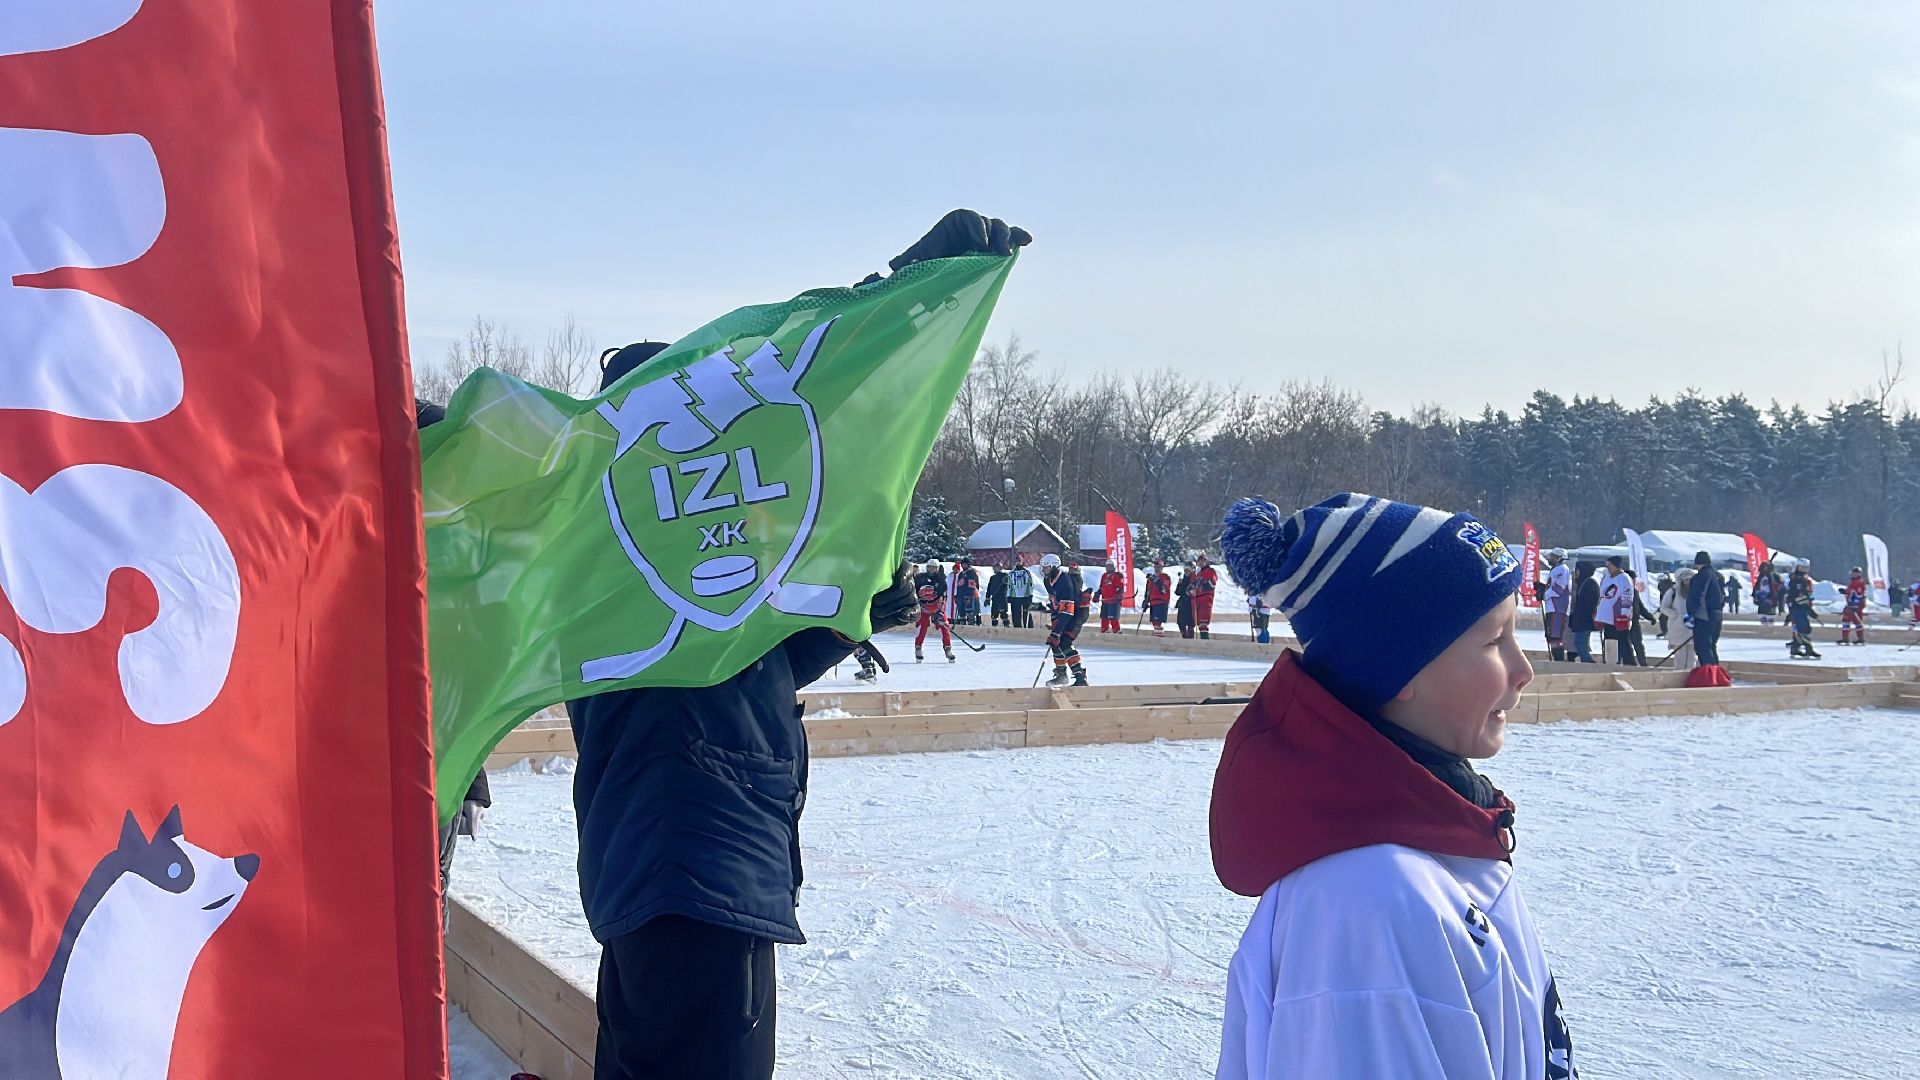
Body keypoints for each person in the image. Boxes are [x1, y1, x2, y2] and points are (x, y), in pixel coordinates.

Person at [1212, 493, 1575, 1080]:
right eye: (1494, 640)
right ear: (1395, 666)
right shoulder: (1369, 907)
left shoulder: (1432, 842)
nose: (1524, 669)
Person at [1039, 553, 1089, 687]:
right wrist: (1053, 615)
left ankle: (1080, 676)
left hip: (1076, 613)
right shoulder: (1048, 580)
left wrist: (1057, 631)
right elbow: (1055, 601)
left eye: (1045, 567)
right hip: (1062, 613)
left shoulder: (1065, 582)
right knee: (1055, 643)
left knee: (1064, 641)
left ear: (1053, 567)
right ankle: (1061, 675)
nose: (1043, 570)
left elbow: (1068, 610)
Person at [1686, 550, 1726, 666]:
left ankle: (1708, 673)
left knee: (1702, 647)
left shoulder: (1701, 577)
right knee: (1711, 646)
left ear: (1697, 563)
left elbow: (1697, 595)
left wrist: (1691, 612)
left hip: (1704, 616)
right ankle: (1716, 672)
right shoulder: (1718, 576)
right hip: (1717, 615)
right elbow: (1723, 596)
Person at [912, 561, 955, 663]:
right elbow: (913, 593)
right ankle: (918, 648)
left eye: (934, 567)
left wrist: (940, 611)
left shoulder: (941, 580)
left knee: (944, 626)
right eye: (929, 567)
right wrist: (917, 604)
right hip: (923, 608)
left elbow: (943, 598)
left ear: (937, 568)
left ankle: (948, 649)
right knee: (922, 627)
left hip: (936, 607)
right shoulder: (920, 578)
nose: (931, 569)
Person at [1599, 556, 1635, 666]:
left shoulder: (1624, 578)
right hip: (1606, 614)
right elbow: (1602, 595)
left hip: (1618, 614)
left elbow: (1627, 596)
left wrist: (1624, 613)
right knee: (1609, 640)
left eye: (1609, 565)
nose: (1608, 568)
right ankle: (1611, 662)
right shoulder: (1606, 577)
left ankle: (1630, 663)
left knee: (1622, 640)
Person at [1658, 568, 1697, 668]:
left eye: (1690, 579)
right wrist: (1674, 614)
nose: (1688, 582)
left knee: (1692, 659)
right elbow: (1663, 607)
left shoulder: (1697, 592)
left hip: (1693, 629)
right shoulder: (1673, 592)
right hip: (1678, 629)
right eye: (1686, 580)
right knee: (1680, 658)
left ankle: (1690, 675)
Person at [1785, 560, 1819, 659]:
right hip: (1798, 607)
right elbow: (1799, 596)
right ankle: (1808, 648)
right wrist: (1809, 609)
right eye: (1802, 567)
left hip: (1799, 606)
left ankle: (1795, 648)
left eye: (1806, 567)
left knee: (1801, 628)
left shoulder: (1803, 578)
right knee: (1805, 629)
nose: (1805, 569)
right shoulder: (1797, 579)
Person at [1542, 549, 1572, 662]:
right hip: (1552, 607)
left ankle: (1559, 661)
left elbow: (1558, 588)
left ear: (1560, 558)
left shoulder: (1562, 569)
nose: (1551, 559)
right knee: (1551, 635)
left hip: (1558, 607)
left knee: (1555, 636)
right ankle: (1557, 659)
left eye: (1553, 557)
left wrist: (1544, 594)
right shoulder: (1555, 569)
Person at [1569, 559, 1600, 663]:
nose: (1576, 572)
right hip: (1580, 619)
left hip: (1585, 619)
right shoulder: (1581, 583)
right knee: (1579, 642)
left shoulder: (1590, 584)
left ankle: (1588, 661)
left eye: (1577, 570)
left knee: (1580, 642)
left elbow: (1591, 603)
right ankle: (1586, 660)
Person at [1626, 570, 1656, 666]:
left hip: (1634, 622)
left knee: (1638, 644)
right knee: (1625, 645)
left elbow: (1640, 607)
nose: (1634, 581)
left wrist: (1650, 617)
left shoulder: (1634, 591)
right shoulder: (1620, 590)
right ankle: (1628, 664)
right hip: (1623, 622)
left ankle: (1643, 663)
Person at [1838, 566, 1868, 646]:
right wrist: (1845, 592)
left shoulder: (1858, 582)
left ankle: (1857, 638)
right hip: (1852, 604)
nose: (1852, 574)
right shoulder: (1854, 582)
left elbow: (1858, 595)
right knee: (1850, 621)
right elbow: (1851, 592)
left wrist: (1854, 605)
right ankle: (1850, 637)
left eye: (1854, 573)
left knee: (1852, 620)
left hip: (1855, 606)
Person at [1192, 552, 1219, 639]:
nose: (1201, 563)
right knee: (1199, 621)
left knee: (1204, 621)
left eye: (1203, 561)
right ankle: (1203, 639)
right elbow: (1193, 585)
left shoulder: (1210, 571)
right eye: (1200, 561)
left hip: (1206, 597)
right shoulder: (1198, 574)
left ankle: (1205, 640)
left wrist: (1205, 583)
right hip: (1198, 598)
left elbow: (1212, 585)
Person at [1145, 558, 1173, 638]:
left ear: (1162, 567)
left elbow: (1164, 589)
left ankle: (1159, 637)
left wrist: (1157, 581)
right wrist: (1146, 600)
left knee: (1158, 621)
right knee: (1154, 621)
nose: (1157, 568)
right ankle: (1157, 635)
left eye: (1159, 567)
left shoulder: (1165, 577)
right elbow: (1148, 590)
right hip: (1153, 601)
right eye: (1156, 567)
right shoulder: (1151, 578)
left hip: (1161, 601)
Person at [1098, 559, 1126, 633]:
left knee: (1113, 618)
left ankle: (1116, 630)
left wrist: (1120, 594)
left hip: (1114, 601)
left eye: (1110, 566)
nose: (1109, 568)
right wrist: (1097, 594)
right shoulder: (1104, 576)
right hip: (1105, 600)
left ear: (1114, 567)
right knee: (1104, 617)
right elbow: (1101, 587)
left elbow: (1120, 587)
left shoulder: (1117, 576)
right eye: (1107, 566)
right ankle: (1104, 630)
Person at [953, 557, 982, 625]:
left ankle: (971, 624)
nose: (964, 565)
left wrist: (969, 595)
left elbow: (972, 585)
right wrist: (957, 595)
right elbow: (959, 585)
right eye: (963, 564)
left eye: (965, 564)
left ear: (968, 564)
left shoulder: (971, 573)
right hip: (961, 595)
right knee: (961, 611)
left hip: (969, 595)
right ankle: (962, 624)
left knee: (970, 610)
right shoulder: (961, 574)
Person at [1007, 557, 1033, 628]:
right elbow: (1009, 585)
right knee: (1015, 613)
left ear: (1022, 561)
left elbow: (1031, 584)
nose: (1018, 562)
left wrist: (1031, 594)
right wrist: (1008, 595)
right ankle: (1017, 627)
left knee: (1027, 612)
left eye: (1019, 561)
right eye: (1017, 561)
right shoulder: (1011, 573)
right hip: (1014, 596)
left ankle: (1029, 627)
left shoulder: (1027, 572)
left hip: (1025, 595)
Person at [1176, 561, 1198, 639]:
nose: (1186, 572)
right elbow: (1177, 592)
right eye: (1185, 570)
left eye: (1188, 570)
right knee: (1180, 622)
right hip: (1183, 603)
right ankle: (1185, 637)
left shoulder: (1194, 579)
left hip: (1191, 603)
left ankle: (1190, 639)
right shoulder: (1183, 579)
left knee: (1190, 623)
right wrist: (1179, 584)